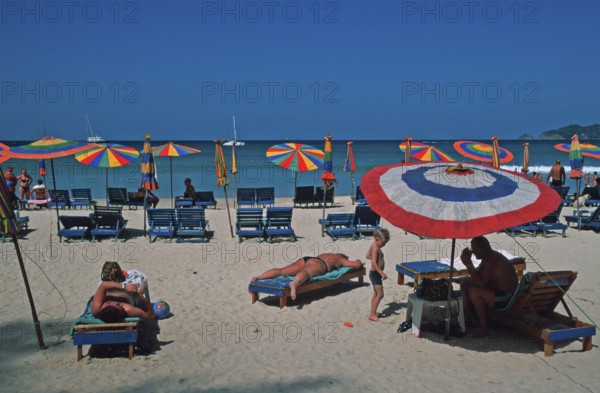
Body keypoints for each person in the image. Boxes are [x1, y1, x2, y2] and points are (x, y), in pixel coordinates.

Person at [459, 236, 518, 338]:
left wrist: (468, 263)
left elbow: (480, 283)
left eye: (474, 248)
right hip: (498, 292)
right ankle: (469, 317)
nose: (472, 251)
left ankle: (483, 327)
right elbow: (477, 275)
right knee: (465, 283)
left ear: (482, 248)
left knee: (474, 291)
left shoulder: (492, 260)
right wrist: (468, 263)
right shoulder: (488, 256)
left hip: (506, 297)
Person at [251, 253, 364, 300]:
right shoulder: (340, 258)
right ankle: (294, 283)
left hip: (308, 258)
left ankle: (259, 277)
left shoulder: (328, 254)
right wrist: (358, 261)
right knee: (307, 272)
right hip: (319, 264)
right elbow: (357, 265)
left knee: (282, 271)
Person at [91, 280, 156, 322]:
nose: (115, 302)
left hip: (116, 289)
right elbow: (149, 315)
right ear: (121, 307)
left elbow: (103, 285)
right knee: (143, 284)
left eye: (108, 303)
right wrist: (138, 296)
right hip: (131, 295)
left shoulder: (96, 309)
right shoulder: (128, 309)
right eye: (118, 304)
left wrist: (124, 287)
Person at [367, 228, 390, 322]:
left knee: (376, 294)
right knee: (380, 295)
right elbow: (374, 263)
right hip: (375, 274)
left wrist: (372, 256)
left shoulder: (374, 246)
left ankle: (373, 312)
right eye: (383, 243)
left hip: (375, 274)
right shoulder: (375, 248)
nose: (384, 245)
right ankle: (372, 314)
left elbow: (367, 255)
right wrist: (381, 272)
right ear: (377, 239)